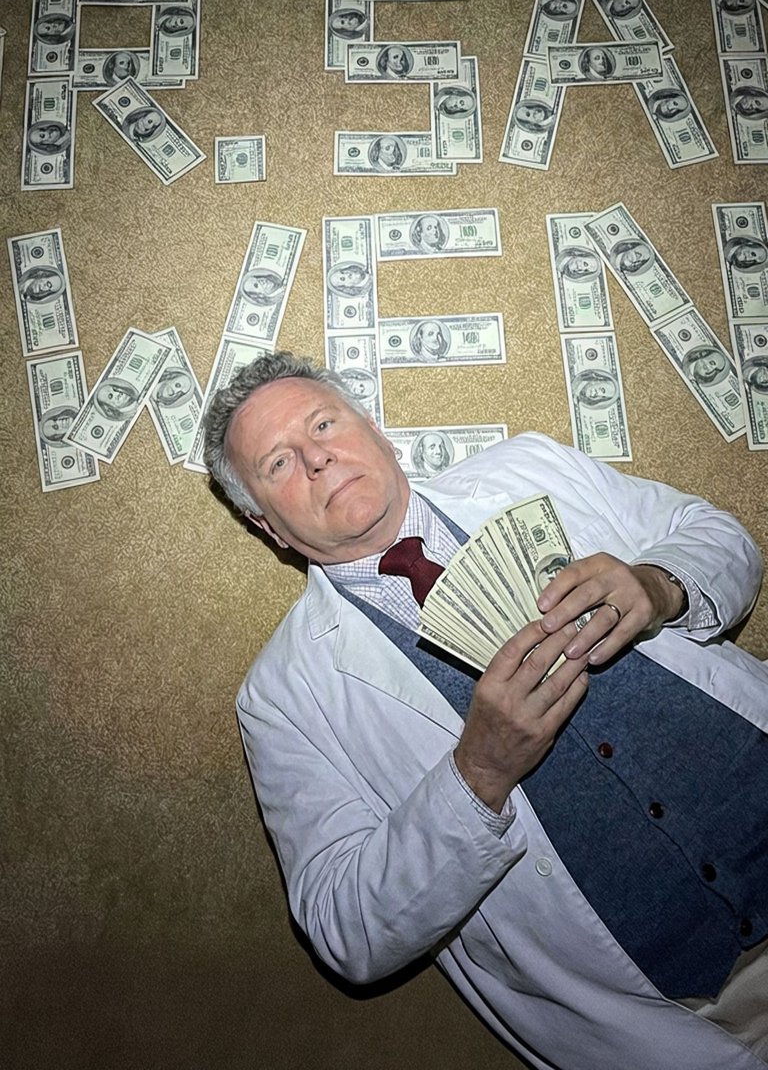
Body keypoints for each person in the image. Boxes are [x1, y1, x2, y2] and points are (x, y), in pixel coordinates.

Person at [203, 352, 768, 1070]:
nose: (317, 458)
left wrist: (658, 586)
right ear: (266, 527)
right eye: (278, 464)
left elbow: (719, 537)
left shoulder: (531, 468)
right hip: (693, 1017)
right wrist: (477, 775)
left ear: (375, 429)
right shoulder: (282, 696)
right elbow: (347, 931)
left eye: (324, 423)